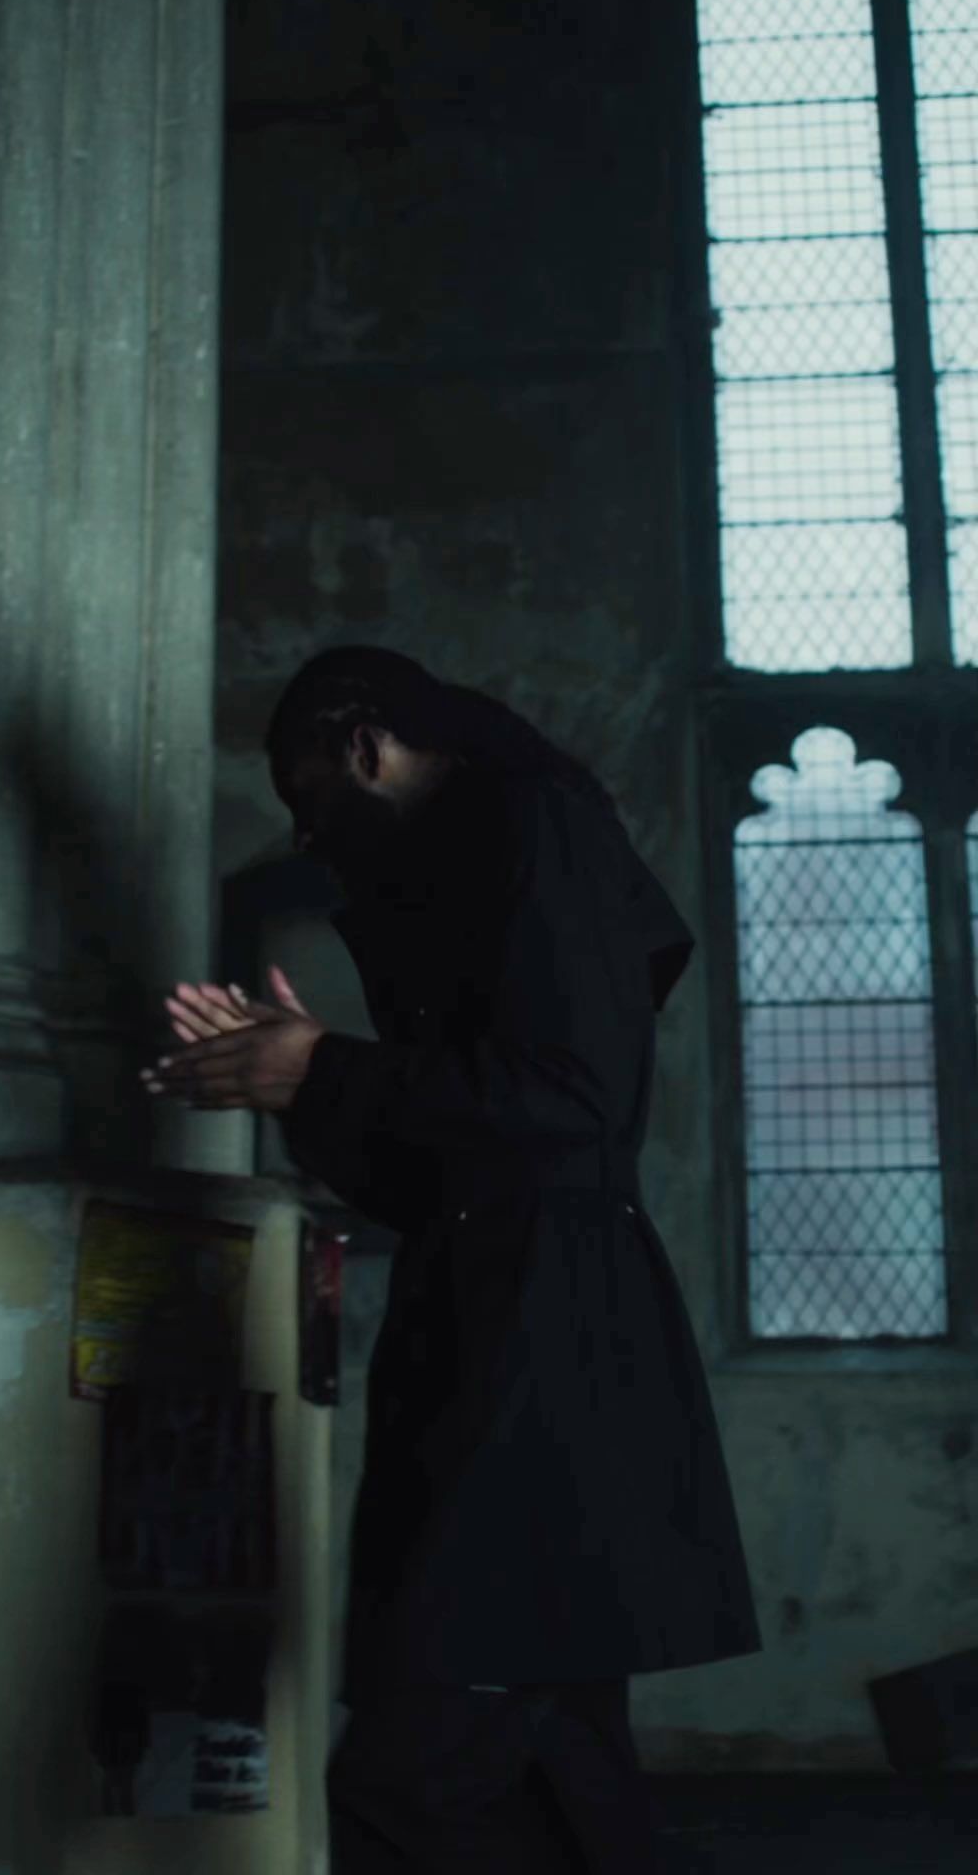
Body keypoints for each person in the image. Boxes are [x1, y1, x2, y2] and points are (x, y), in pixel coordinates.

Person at [142, 646, 762, 1872]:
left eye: (309, 795)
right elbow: (442, 1162)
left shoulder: (536, 822)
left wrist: (325, 1066)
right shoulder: (462, 862)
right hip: (494, 1325)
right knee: (559, 1778)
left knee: (413, 1777)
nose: (306, 835)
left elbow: (572, 1102)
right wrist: (302, 1082)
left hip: (548, 1340)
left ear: (366, 745)